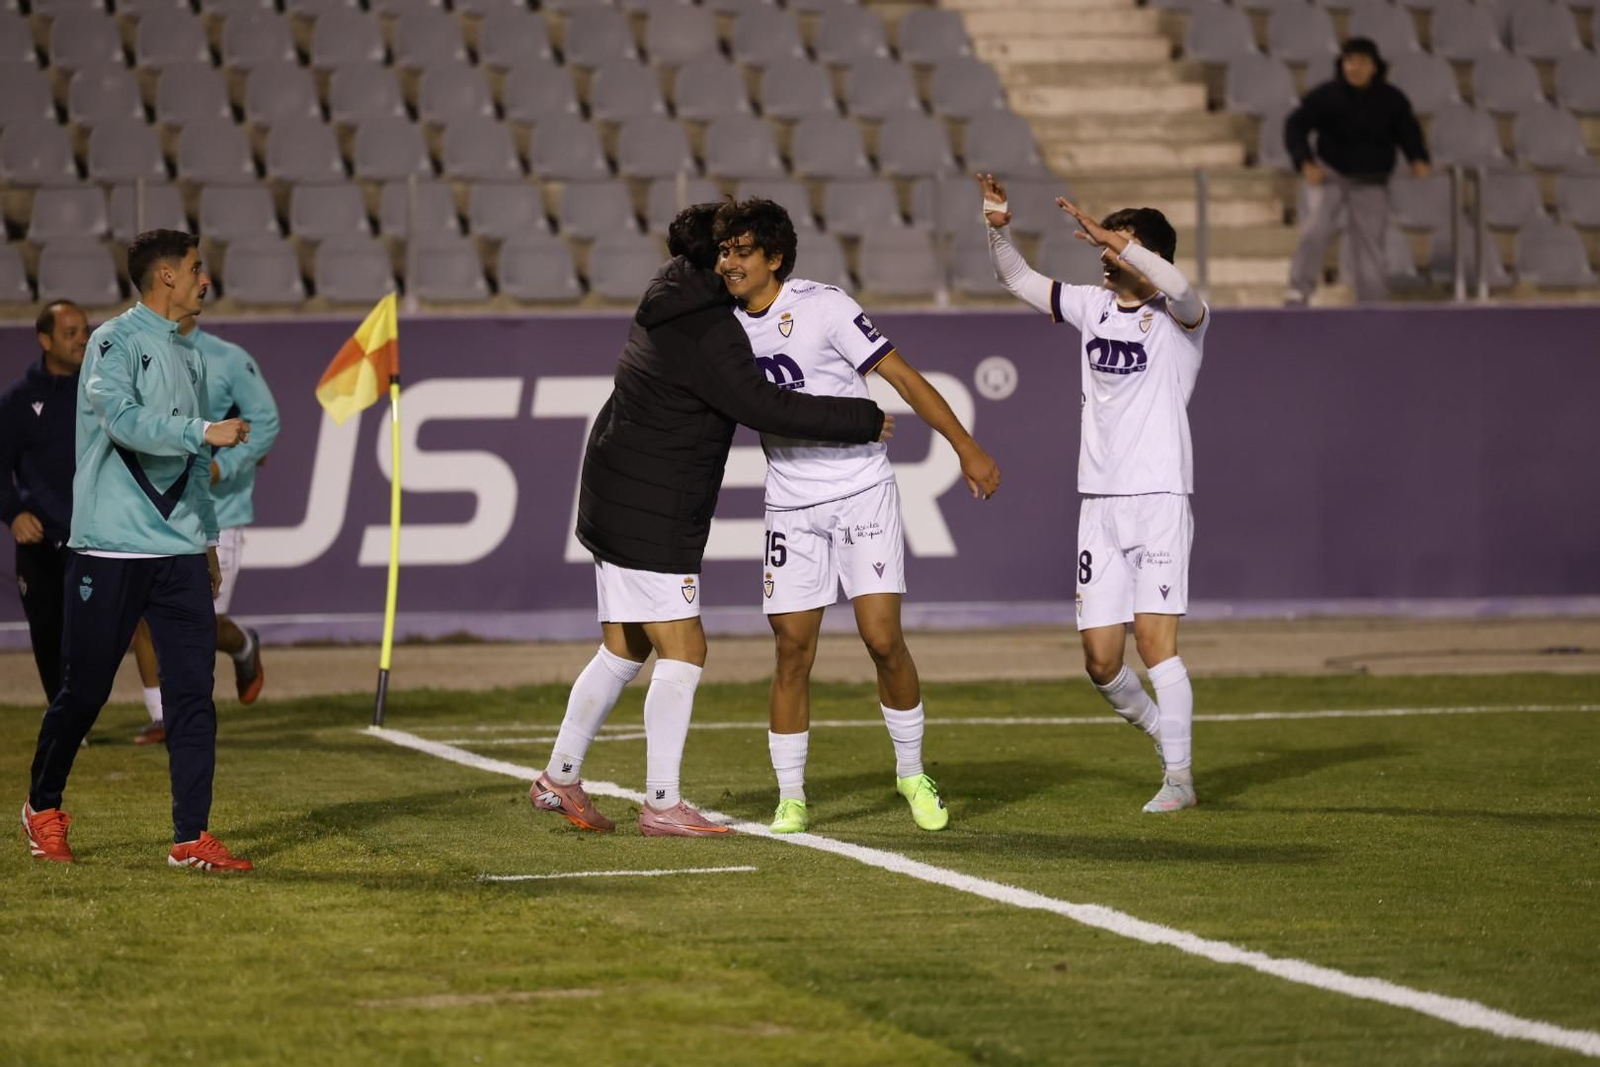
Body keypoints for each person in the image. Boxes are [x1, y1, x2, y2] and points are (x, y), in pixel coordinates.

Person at [528, 204, 891, 838]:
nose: (733, 260)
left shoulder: (670, 295)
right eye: (726, 250)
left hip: (616, 492)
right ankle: (662, 803)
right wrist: (861, 419)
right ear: (709, 257)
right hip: (652, 507)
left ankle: (559, 778)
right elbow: (762, 405)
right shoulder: (707, 327)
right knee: (686, 649)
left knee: (624, 647)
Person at [713, 197, 1002, 835]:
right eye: (724, 252)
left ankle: (912, 774)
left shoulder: (825, 307)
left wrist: (965, 446)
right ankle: (791, 797)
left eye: (742, 251)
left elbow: (903, 377)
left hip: (860, 490)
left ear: (775, 258)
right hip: (789, 502)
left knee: (882, 639)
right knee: (792, 649)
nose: (729, 263)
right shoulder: (721, 326)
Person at [21, 230, 255, 870]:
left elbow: (193, 461)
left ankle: (191, 838)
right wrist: (202, 428)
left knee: (193, 696)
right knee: (85, 692)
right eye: (196, 268)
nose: (206, 280)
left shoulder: (190, 355)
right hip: (111, 549)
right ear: (166, 276)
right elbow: (122, 422)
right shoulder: (113, 342)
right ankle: (42, 807)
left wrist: (206, 538)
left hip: (178, 554)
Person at [979, 172, 1205, 813]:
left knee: (1155, 646)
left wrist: (1116, 239)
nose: (1104, 256)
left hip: (1159, 499)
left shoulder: (1182, 321)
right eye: (1104, 246)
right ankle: (1165, 735)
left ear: (1148, 256)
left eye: (1118, 247)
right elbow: (1019, 280)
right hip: (1099, 505)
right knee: (1101, 662)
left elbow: (1180, 287)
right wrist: (998, 233)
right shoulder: (1092, 307)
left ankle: (1181, 779)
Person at [130, 314, 278, 745]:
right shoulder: (131, 350)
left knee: (197, 624)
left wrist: (220, 467)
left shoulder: (227, 358)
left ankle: (243, 643)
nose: (202, 284)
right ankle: (163, 717)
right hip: (151, 510)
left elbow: (266, 422)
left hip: (218, 511)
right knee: (145, 616)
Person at [1284, 37, 1430, 306]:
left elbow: (1408, 131)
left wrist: (1418, 158)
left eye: (1362, 62)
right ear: (1342, 64)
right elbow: (1295, 125)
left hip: (1372, 181)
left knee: (1370, 244)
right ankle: (1298, 290)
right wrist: (1304, 161)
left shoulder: (1391, 99)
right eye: (1350, 61)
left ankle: (1372, 302)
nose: (1355, 67)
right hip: (1331, 177)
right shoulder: (1326, 95)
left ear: (1374, 66)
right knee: (1315, 230)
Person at [1, 301, 88, 706]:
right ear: (45, 340)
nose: (82, 340)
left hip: (97, 539)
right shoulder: (18, 401)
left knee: (95, 636)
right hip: (41, 545)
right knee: (49, 634)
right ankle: (66, 721)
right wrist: (13, 512)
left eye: (85, 331)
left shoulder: (103, 392)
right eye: (71, 333)